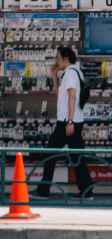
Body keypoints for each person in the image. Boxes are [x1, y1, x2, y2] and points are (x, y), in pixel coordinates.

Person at [33, 47, 91, 199]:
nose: (56, 61)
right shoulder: (76, 72)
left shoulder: (70, 73)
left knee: (50, 153)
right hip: (74, 121)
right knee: (78, 156)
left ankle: (43, 190)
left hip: (66, 122)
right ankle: (86, 191)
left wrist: (69, 121)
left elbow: (72, 97)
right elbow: (61, 96)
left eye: (58, 58)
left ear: (66, 59)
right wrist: (54, 76)